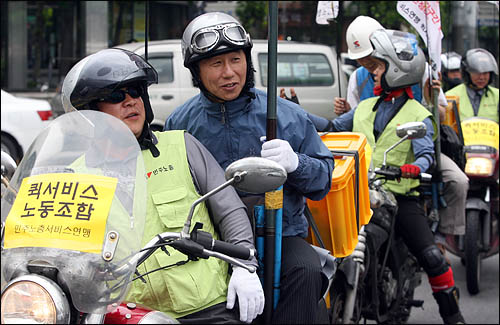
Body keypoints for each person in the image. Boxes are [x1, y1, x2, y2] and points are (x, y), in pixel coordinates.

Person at [60, 48, 264, 324]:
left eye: (135, 92)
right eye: (116, 96)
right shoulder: (74, 177)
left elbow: (230, 211)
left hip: (207, 308)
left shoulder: (181, 145)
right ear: (90, 113)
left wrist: (245, 267)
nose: (131, 102)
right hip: (128, 314)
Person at [164, 12, 334, 324]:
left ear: (248, 61)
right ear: (196, 72)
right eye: (216, 64)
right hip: (212, 241)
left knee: (306, 271)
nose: (229, 72)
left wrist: (296, 163)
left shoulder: (288, 115)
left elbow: (323, 180)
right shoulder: (180, 124)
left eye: (235, 59)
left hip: (281, 233)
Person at [321, 28, 466, 324]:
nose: (374, 72)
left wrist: (415, 167)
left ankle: (454, 317)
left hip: (400, 198)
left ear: (397, 71)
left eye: (380, 67)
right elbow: (333, 126)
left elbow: (426, 154)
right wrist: (293, 117)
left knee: (432, 258)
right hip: (360, 193)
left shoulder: (417, 114)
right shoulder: (364, 107)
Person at [328, 15, 469, 255]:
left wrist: (431, 98)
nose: (366, 64)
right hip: (370, 163)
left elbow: (440, 116)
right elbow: (352, 123)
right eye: (360, 58)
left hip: (408, 155)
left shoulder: (415, 67)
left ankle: (443, 236)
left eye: (370, 57)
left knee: (458, 181)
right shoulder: (358, 78)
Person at [446, 48, 499, 123]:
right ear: (467, 73)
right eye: (477, 73)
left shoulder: (497, 96)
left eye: (485, 73)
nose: (482, 77)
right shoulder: (451, 96)